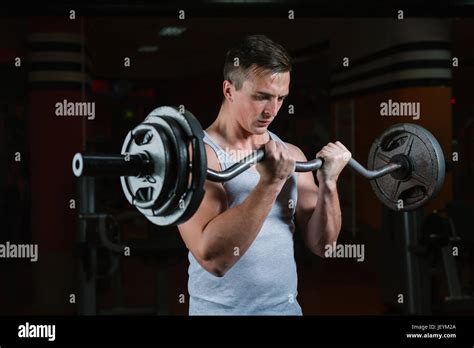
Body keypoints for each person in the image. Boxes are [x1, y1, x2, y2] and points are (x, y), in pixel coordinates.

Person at [177, 34, 351, 315]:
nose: (272, 110)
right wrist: (270, 183)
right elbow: (214, 259)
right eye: (261, 97)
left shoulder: (291, 154)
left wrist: (328, 184)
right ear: (229, 90)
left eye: (281, 98)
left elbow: (323, 246)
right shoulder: (198, 157)